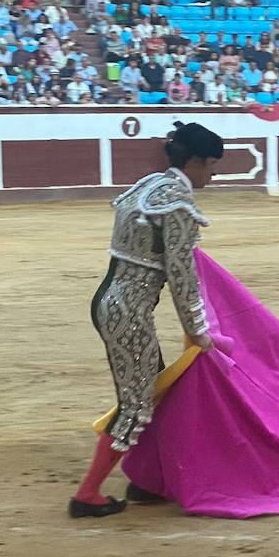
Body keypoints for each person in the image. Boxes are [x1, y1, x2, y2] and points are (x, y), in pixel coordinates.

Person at [70, 122, 224, 518]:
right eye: (210, 165)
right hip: (129, 310)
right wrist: (198, 329)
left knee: (155, 392)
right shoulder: (176, 202)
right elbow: (181, 274)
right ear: (192, 162)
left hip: (110, 299)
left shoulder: (149, 185)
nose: (213, 173)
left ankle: (146, 479)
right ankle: (87, 495)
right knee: (136, 404)